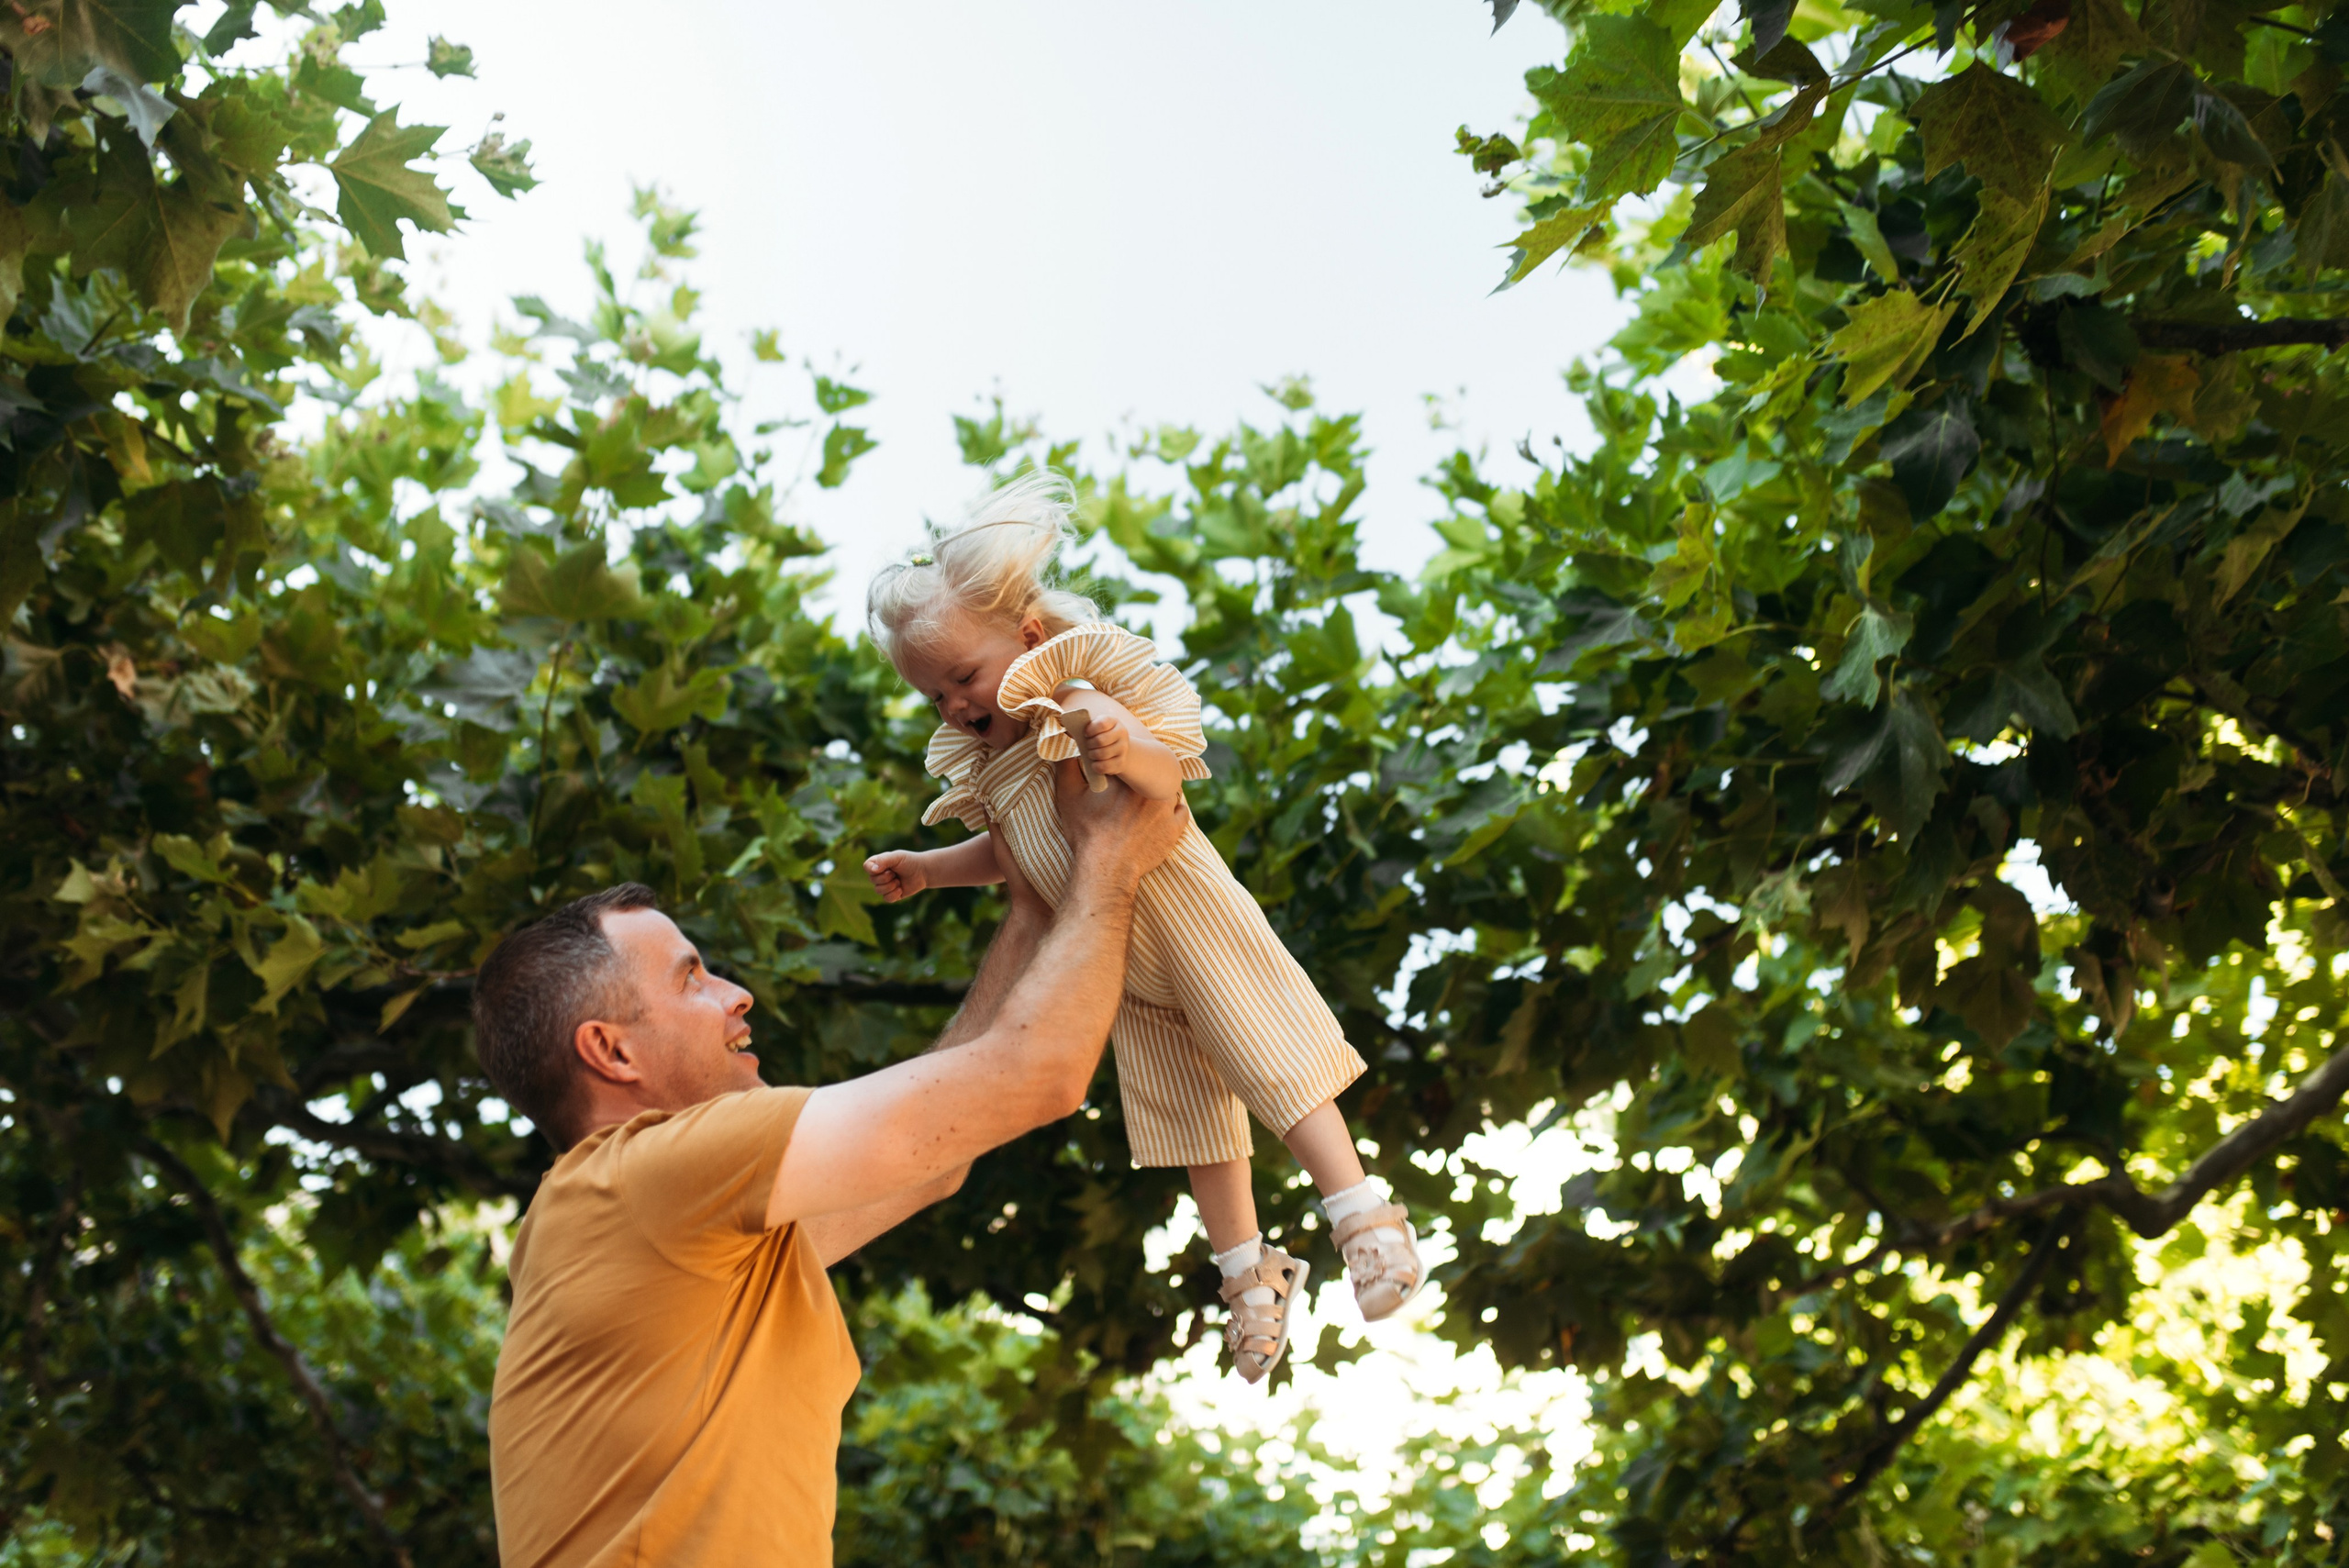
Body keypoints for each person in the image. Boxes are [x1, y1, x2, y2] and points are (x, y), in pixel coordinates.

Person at [473, 763, 1189, 1568]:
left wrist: (1029, 910)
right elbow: (1040, 1072)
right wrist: (1110, 858)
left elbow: (934, 1161)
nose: (736, 993)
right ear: (611, 1050)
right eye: (691, 977)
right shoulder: (649, 1174)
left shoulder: (656, 1227)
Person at [862, 470, 1423, 1385]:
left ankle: (1361, 1212)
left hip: (1187, 922)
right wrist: (929, 868)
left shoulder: (1082, 704)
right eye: (935, 697)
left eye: (963, 677)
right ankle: (1248, 1270)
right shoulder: (994, 769)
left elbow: (1169, 782)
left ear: (1030, 639)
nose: (955, 706)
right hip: (1120, 957)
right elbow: (1011, 853)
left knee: (1270, 1061)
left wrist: (1123, 749)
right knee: (1187, 1118)